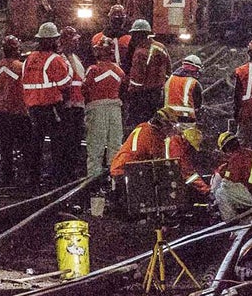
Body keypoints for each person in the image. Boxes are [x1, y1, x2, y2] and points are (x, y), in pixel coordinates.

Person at [109, 107, 208, 207]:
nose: (172, 130)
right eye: (171, 126)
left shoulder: (144, 127)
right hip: (128, 172)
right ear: (163, 124)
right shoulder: (154, 137)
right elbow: (160, 163)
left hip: (124, 169)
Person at [22, 22, 74, 182]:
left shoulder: (29, 58)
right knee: (57, 142)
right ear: (52, 40)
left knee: (36, 142)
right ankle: (57, 176)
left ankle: (33, 177)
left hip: (33, 108)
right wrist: (69, 66)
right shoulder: (55, 60)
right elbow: (65, 83)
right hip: (51, 107)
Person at [0, 36, 31, 184]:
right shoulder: (20, 67)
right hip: (20, 112)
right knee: (25, 145)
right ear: (17, 50)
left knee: (5, 147)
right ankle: (26, 175)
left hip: (2, 112)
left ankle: (7, 176)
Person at [212, 131, 252, 220]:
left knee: (220, 193)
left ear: (226, 149)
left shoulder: (236, 158)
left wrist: (215, 200)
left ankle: (231, 224)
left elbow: (227, 184)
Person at [84, 40, 125, 176]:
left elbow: (84, 89)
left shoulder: (93, 70)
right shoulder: (118, 71)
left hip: (96, 109)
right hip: (115, 109)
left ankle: (93, 182)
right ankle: (113, 179)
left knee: (96, 146)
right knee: (115, 145)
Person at [125, 19, 170, 126]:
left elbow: (137, 78)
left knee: (139, 122)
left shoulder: (140, 52)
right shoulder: (161, 47)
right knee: (153, 121)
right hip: (157, 92)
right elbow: (168, 70)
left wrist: (130, 91)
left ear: (136, 35)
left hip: (142, 94)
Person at [55, 26, 86, 182]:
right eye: (74, 40)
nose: (77, 43)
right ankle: (64, 173)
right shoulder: (61, 59)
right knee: (67, 140)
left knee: (75, 140)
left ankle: (71, 170)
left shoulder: (75, 57)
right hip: (68, 106)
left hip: (77, 105)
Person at [166, 54, 204, 123]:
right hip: (186, 118)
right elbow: (198, 104)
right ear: (194, 68)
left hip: (168, 116)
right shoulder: (194, 83)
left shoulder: (170, 79)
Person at [92, 4, 132, 69]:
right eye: (115, 19)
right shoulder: (97, 38)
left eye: (119, 19)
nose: (117, 22)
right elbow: (93, 59)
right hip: (103, 73)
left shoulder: (129, 39)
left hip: (123, 73)